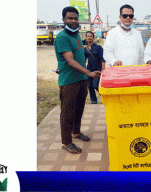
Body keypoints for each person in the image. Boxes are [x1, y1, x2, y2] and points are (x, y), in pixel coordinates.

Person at [54, 6, 101, 154]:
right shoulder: (62, 37)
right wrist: (89, 72)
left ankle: (76, 132)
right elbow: (70, 60)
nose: (73, 21)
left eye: (75, 18)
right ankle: (67, 142)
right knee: (67, 112)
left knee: (79, 108)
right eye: (70, 18)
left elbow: (80, 57)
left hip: (81, 79)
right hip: (69, 81)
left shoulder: (76, 36)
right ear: (64, 20)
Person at [84, 31, 105, 104]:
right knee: (90, 86)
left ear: (93, 38)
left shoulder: (98, 47)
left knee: (96, 85)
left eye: (90, 36)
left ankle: (105, 96)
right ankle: (93, 101)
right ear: (86, 38)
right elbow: (83, 60)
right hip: (89, 70)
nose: (89, 37)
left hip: (97, 70)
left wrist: (103, 70)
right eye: (87, 36)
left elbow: (103, 59)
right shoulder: (85, 49)